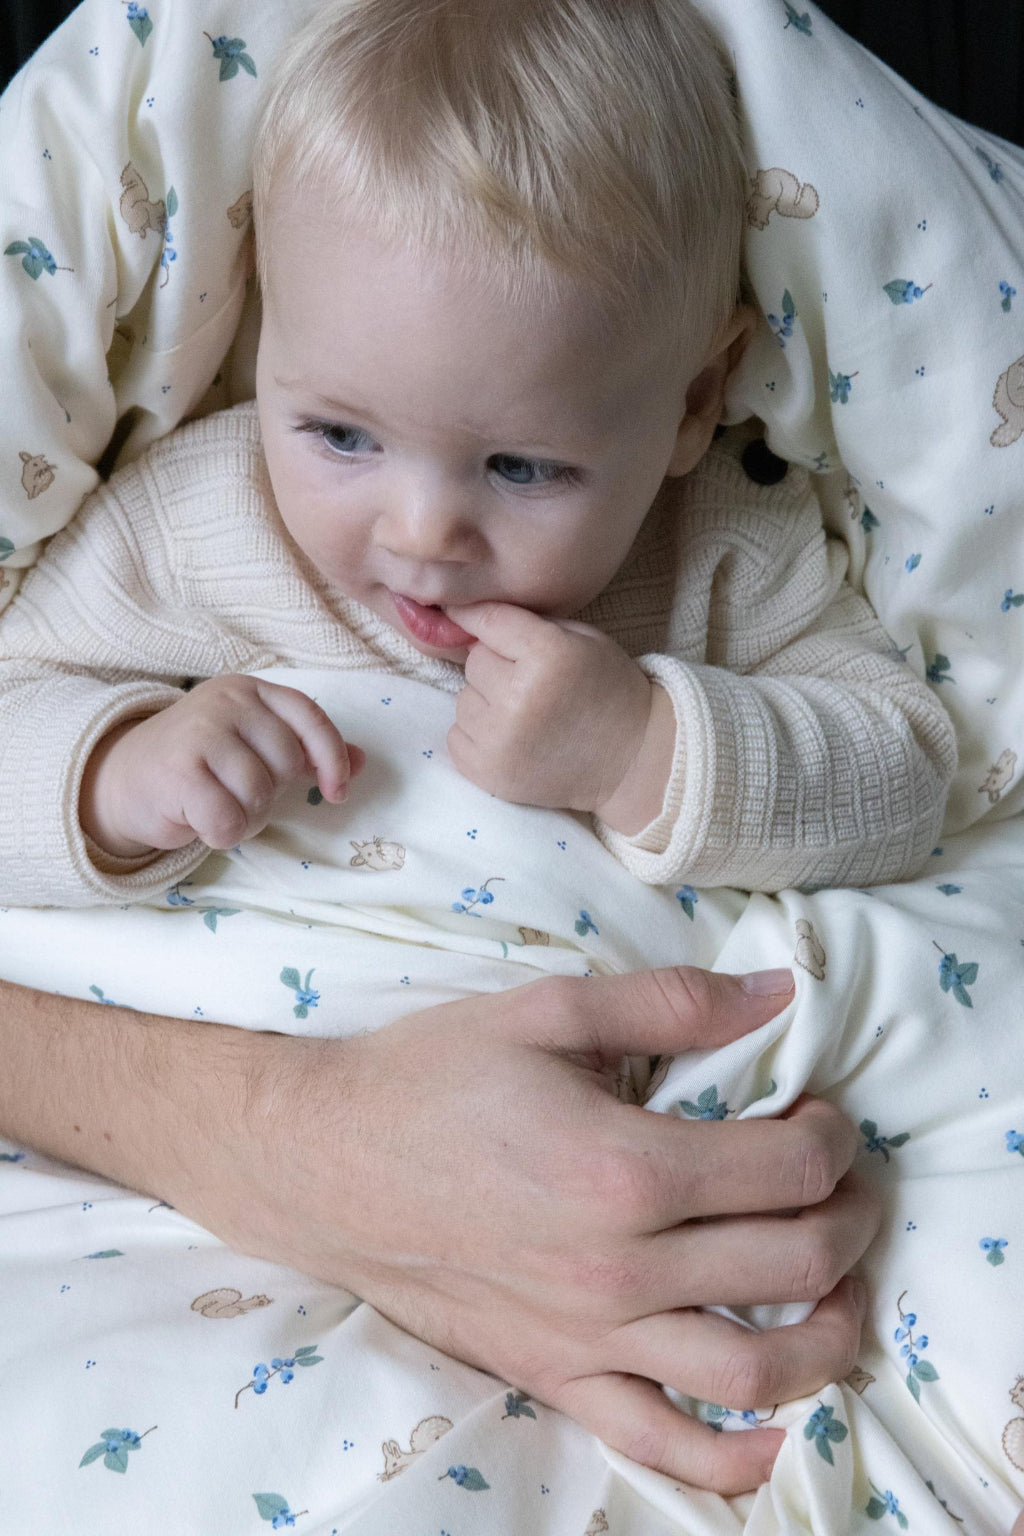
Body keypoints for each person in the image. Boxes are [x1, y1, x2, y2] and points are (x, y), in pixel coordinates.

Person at [0, 0, 921, 1494]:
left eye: (523, 465)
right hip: (229, 1161)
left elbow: (900, 767)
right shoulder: (208, 515)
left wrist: (645, 746)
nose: (423, 534)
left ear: (690, 401)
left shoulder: (719, 556)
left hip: (625, 1176)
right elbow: (9, 695)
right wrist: (112, 765)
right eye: (340, 433)